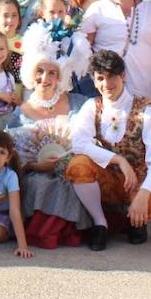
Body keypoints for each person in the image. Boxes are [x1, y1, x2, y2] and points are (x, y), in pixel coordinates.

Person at [65, 50, 151, 250]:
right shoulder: (91, 106)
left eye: (112, 76)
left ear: (123, 76)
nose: (107, 84)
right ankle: (100, 223)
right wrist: (119, 160)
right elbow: (79, 143)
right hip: (109, 179)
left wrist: (142, 195)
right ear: (95, 82)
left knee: (149, 205)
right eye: (101, 78)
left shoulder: (146, 110)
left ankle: (137, 217)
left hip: (138, 182)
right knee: (79, 164)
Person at [6, 52, 91, 248]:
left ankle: (73, 229)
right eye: (40, 71)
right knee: (41, 183)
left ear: (61, 76)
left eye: (52, 72)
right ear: (30, 73)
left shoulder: (78, 103)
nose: (45, 78)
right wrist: (37, 164)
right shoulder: (20, 113)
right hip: (36, 171)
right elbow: (12, 154)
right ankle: (45, 232)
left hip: (75, 167)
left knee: (72, 180)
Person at [19, 0, 90, 92]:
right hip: (43, 87)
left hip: (68, 88)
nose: (57, 16)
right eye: (52, 12)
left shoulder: (73, 38)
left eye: (60, 12)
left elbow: (80, 67)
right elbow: (32, 68)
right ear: (42, 13)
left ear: (66, 11)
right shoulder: (35, 36)